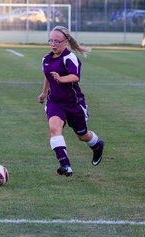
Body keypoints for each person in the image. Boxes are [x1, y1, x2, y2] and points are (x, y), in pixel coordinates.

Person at [37, 26, 104, 177]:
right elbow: (48, 76)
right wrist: (43, 92)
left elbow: (75, 76)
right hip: (55, 102)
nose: (53, 44)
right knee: (54, 129)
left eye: (57, 41)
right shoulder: (46, 59)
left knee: (82, 135)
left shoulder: (69, 58)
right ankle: (65, 165)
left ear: (65, 42)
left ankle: (97, 144)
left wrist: (61, 79)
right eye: (51, 41)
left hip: (73, 103)